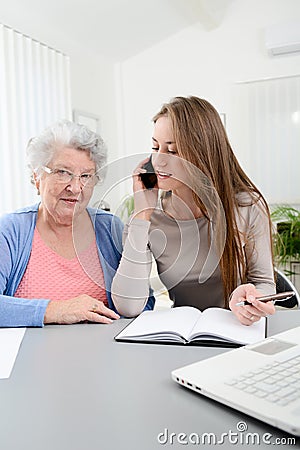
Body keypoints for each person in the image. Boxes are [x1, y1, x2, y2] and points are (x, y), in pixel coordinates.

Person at [112, 96, 276, 325]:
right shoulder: (148, 216)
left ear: (204, 152)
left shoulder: (246, 206)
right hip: (183, 334)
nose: (158, 161)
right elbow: (128, 306)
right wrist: (142, 215)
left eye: (173, 150)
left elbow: (265, 282)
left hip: (239, 330)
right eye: (155, 147)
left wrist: (252, 299)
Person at [0, 120, 155, 327]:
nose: (75, 187)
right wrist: (55, 310)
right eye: (63, 172)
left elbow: (144, 302)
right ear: (37, 177)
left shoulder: (110, 229)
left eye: (86, 176)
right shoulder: (11, 231)